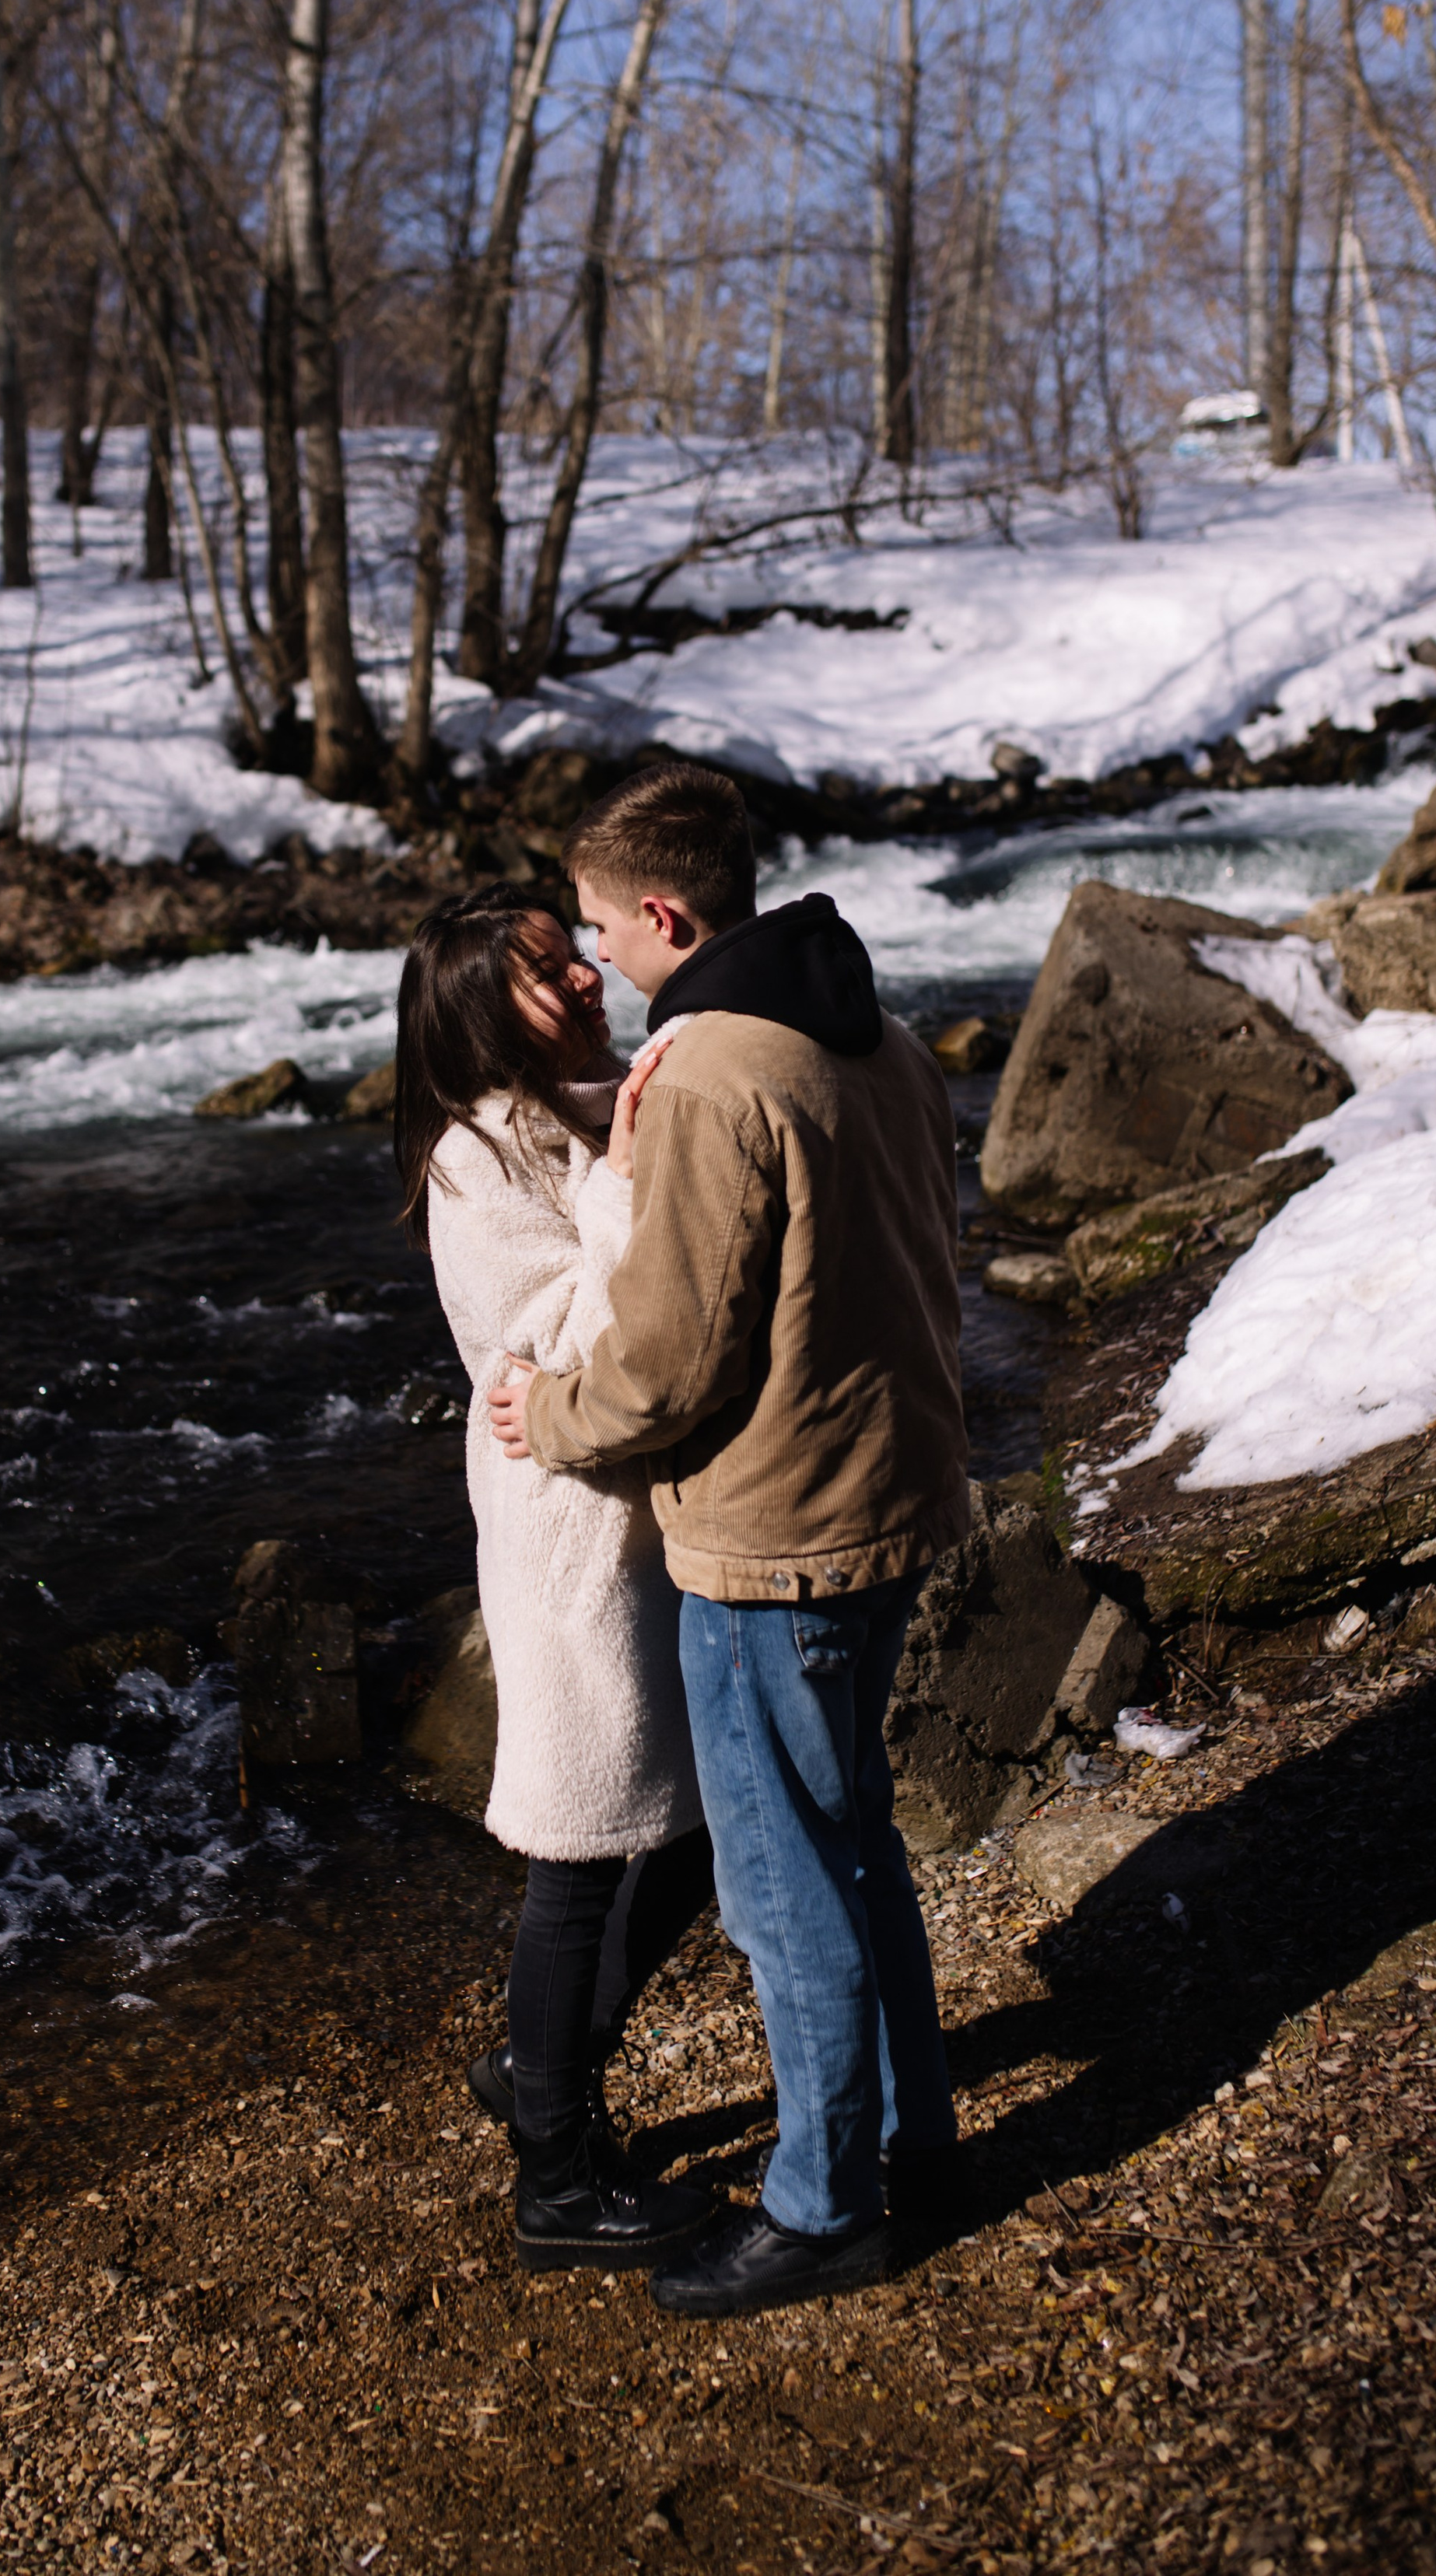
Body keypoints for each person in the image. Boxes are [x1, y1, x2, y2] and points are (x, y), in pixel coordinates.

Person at [488, 763, 972, 2318]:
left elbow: (663, 1367)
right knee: (854, 1841)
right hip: (891, 1494)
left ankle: (826, 2209)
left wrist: (545, 1418)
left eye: (599, 929)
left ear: (669, 915)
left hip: (773, 1536)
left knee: (781, 1887)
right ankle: (914, 2142)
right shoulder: (873, 1035)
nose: (592, 959)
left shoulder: (701, 1078)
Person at [395, 880, 719, 2270]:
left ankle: (546, 2068)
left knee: (695, 1832)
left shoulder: (580, 1104)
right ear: (482, 1011)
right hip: (567, 1529)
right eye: (544, 972)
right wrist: (632, 1178)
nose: (585, 976)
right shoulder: (475, 1159)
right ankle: (556, 2182)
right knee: (581, 1850)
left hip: (640, 1517)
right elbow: (553, 1346)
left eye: (571, 953)